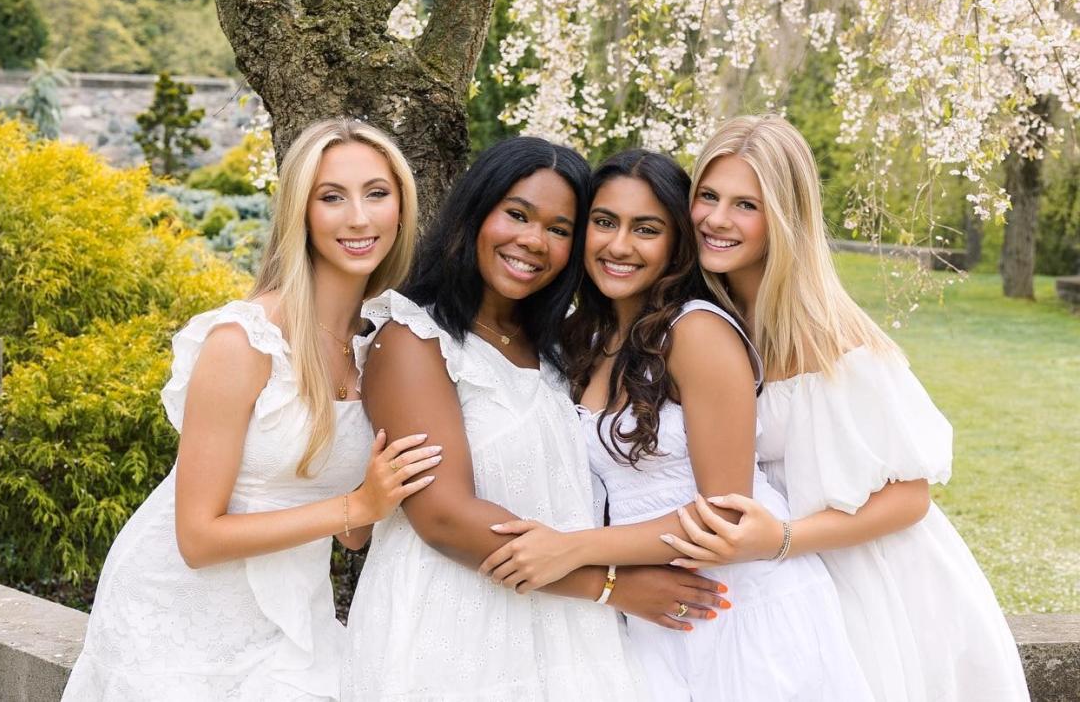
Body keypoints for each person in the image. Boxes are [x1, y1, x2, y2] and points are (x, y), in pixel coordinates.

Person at [63, 118, 441, 701]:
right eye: (332, 197)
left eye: (377, 193)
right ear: (301, 212)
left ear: (402, 206)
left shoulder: (384, 344)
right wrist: (356, 503)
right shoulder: (243, 341)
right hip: (182, 618)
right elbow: (197, 537)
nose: (359, 218)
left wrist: (376, 499)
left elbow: (355, 537)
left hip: (294, 612)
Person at [477, 149, 872, 701]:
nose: (619, 246)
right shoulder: (583, 339)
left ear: (676, 243)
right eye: (605, 222)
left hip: (739, 602)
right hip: (656, 601)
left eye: (647, 229)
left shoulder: (697, 333)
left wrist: (575, 549)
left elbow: (725, 515)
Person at [342, 136, 727, 700]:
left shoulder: (559, 347)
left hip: (561, 626)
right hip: (453, 621)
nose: (532, 241)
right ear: (475, 214)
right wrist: (609, 586)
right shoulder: (413, 337)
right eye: (517, 215)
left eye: (559, 228)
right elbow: (444, 517)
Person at [665, 115, 1030, 701]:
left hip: (870, 579)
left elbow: (911, 497)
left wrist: (781, 538)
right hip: (776, 581)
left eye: (745, 205)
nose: (716, 219)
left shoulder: (830, 339)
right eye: (707, 196)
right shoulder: (710, 318)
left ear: (785, 218)